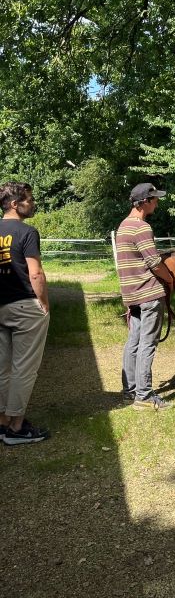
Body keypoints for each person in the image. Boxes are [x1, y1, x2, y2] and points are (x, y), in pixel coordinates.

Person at [0, 182, 51, 445]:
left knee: (2, 367)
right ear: (14, 204)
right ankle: (16, 428)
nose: (32, 203)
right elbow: (35, 273)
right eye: (28, 200)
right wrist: (43, 303)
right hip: (25, 307)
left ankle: (1, 423)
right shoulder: (27, 232)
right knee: (24, 368)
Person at [116, 182, 174, 411]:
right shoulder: (141, 227)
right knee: (147, 344)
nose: (157, 203)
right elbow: (153, 262)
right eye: (155, 199)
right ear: (144, 202)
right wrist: (169, 279)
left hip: (132, 294)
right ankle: (144, 396)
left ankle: (130, 390)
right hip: (149, 293)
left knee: (134, 342)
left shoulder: (123, 226)